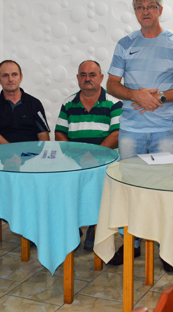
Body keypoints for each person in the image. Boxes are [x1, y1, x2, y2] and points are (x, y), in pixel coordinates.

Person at [106, 0, 173, 268]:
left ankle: (168, 249)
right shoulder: (125, 43)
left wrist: (159, 97)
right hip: (131, 130)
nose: (145, 11)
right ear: (135, 12)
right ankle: (130, 243)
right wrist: (136, 95)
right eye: (139, 7)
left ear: (160, 10)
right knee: (129, 187)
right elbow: (111, 84)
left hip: (164, 131)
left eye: (150, 6)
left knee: (166, 190)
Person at [55, 60, 122, 250]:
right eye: (83, 75)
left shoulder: (114, 103)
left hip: (104, 161)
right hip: (74, 161)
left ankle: (95, 227)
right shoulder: (68, 103)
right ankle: (72, 228)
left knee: (100, 186)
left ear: (101, 78)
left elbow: (117, 134)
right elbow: (59, 133)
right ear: (77, 78)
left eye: (92, 75)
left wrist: (94, 157)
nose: (87, 79)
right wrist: (74, 158)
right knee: (64, 183)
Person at [0, 60, 50, 144]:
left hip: (31, 154)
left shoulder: (34, 103)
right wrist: (13, 152)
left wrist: (41, 155)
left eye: (14, 75)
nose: (10, 79)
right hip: (4, 154)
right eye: (5, 75)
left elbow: (43, 134)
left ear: (21, 77)